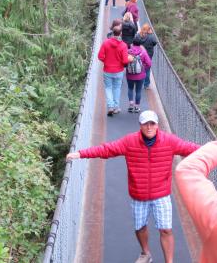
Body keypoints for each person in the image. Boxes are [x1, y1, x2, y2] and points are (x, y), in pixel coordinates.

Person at [67, 110, 200, 263]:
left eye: (152, 124)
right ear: (140, 125)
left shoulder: (169, 141)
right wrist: (80, 154)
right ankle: (145, 253)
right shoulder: (130, 141)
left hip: (161, 194)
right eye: (145, 124)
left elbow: (190, 148)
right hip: (139, 195)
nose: (149, 127)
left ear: (157, 125)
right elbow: (106, 149)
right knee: (140, 227)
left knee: (166, 229)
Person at [98, 24, 133, 116]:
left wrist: (106, 61)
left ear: (112, 33)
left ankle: (110, 106)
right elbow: (125, 61)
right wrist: (129, 59)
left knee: (108, 88)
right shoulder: (123, 45)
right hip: (119, 71)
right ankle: (116, 107)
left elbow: (100, 56)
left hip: (107, 70)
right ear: (120, 33)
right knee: (117, 88)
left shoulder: (106, 43)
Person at [126, 37, 151, 114]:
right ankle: (137, 107)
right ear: (140, 44)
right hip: (140, 75)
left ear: (132, 43)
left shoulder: (128, 51)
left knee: (130, 88)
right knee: (138, 90)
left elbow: (124, 61)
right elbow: (149, 63)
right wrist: (143, 68)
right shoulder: (143, 52)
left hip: (130, 74)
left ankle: (131, 105)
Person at [134, 24, 157, 89]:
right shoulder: (151, 36)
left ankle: (137, 81)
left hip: (139, 54)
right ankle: (146, 84)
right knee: (147, 69)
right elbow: (155, 42)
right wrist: (151, 34)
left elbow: (135, 42)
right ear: (149, 29)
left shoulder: (138, 35)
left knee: (138, 67)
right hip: (148, 54)